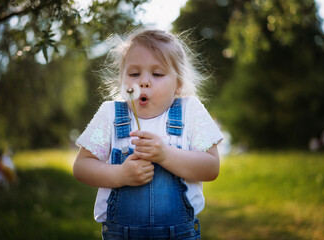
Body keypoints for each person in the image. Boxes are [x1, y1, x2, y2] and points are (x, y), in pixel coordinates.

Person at [73, 28, 224, 240]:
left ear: (178, 84)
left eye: (157, 74)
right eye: (134, 74)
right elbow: (81, 167)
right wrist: (120, 175)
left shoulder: (190, 111)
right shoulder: (110, 115)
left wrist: (165, 155)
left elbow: (211, 168)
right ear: (122, 81)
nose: (143, 81)